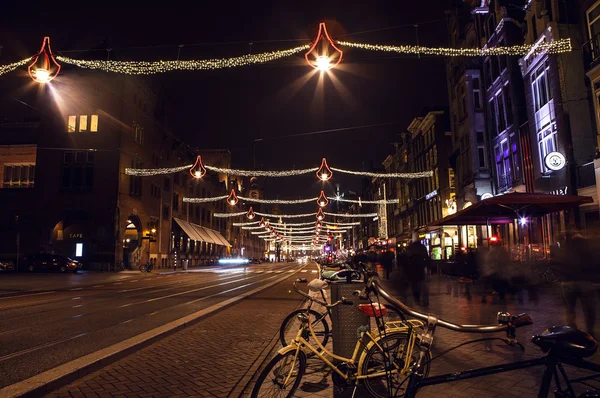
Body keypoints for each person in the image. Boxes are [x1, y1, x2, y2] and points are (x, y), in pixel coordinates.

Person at [556, 229, 599, 338]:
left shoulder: (564, 246)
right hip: (585, 281)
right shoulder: (587, 245)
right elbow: (595, 261)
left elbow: (559, 262)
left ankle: (571, 329)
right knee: (589, 309)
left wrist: (561, 277)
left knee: (570, 308)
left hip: (567, 282)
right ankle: (590, 331)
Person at [404, 239, 429, 306]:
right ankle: (422, 299)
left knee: (414, 284)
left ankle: (416, 298)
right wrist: (426, 265)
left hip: (412, 269)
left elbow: (406, 258)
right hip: (420, 268)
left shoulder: (410, 247)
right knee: (421, 283)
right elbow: (426, 257)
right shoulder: (422, 247)